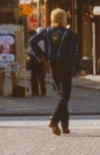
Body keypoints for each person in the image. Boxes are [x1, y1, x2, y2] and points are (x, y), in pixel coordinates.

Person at [29, 8, 82, 136]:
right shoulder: (68, 33)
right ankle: (54, 120)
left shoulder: (47, 31)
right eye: (65, 17)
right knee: (65, 96)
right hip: (65, 65)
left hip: (53, 65)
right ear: (62, 19)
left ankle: (65, 126)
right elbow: (72, 53)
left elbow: (32, 41)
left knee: (61, 95)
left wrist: (41, 55)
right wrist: (80, 68)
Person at [27, 24, 48, 98]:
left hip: (36, 58)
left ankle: (37, 91)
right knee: (39, 76)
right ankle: (42, 91)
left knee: (35, 76)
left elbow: (32, 51)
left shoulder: (36, 41)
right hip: (38, 59)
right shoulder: (42, 41)